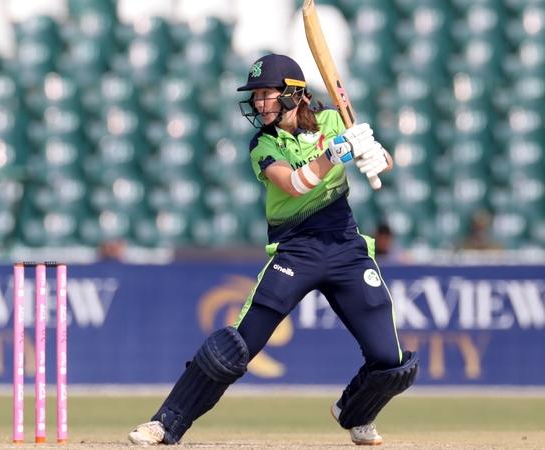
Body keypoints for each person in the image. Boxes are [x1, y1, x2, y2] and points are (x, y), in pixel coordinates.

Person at [127, 54, 418, 446]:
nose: (258, 103)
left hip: (346, 246)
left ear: (293, 95)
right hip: (296, 250)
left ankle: (355, 413)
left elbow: (385, 163)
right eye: (256, 96)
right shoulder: (262, 144)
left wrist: (369, 151)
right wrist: (333, 154)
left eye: (266, 94)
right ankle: (165, 423)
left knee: (392, 361)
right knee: (235, 346)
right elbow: (294, 184)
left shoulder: (333, 122)